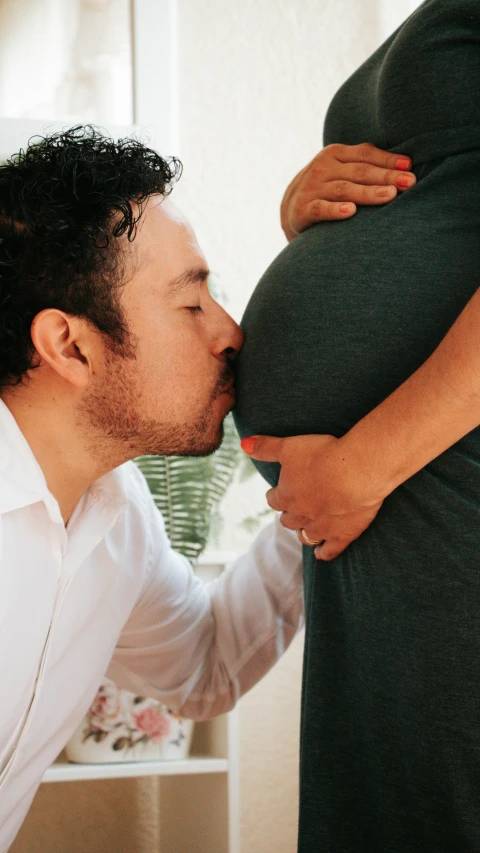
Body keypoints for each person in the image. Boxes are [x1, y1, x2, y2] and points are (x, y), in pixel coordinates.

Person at [0, 126, 410, 851]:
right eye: (192, 304)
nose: (230, 332)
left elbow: (205, 668)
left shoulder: (115, 512)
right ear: (69, 345)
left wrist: (322, 492)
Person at [234, 0, 480, 850]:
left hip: (429, 461)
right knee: (381, 793)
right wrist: (303, 206)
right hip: (395, 486)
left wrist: (368, 461)